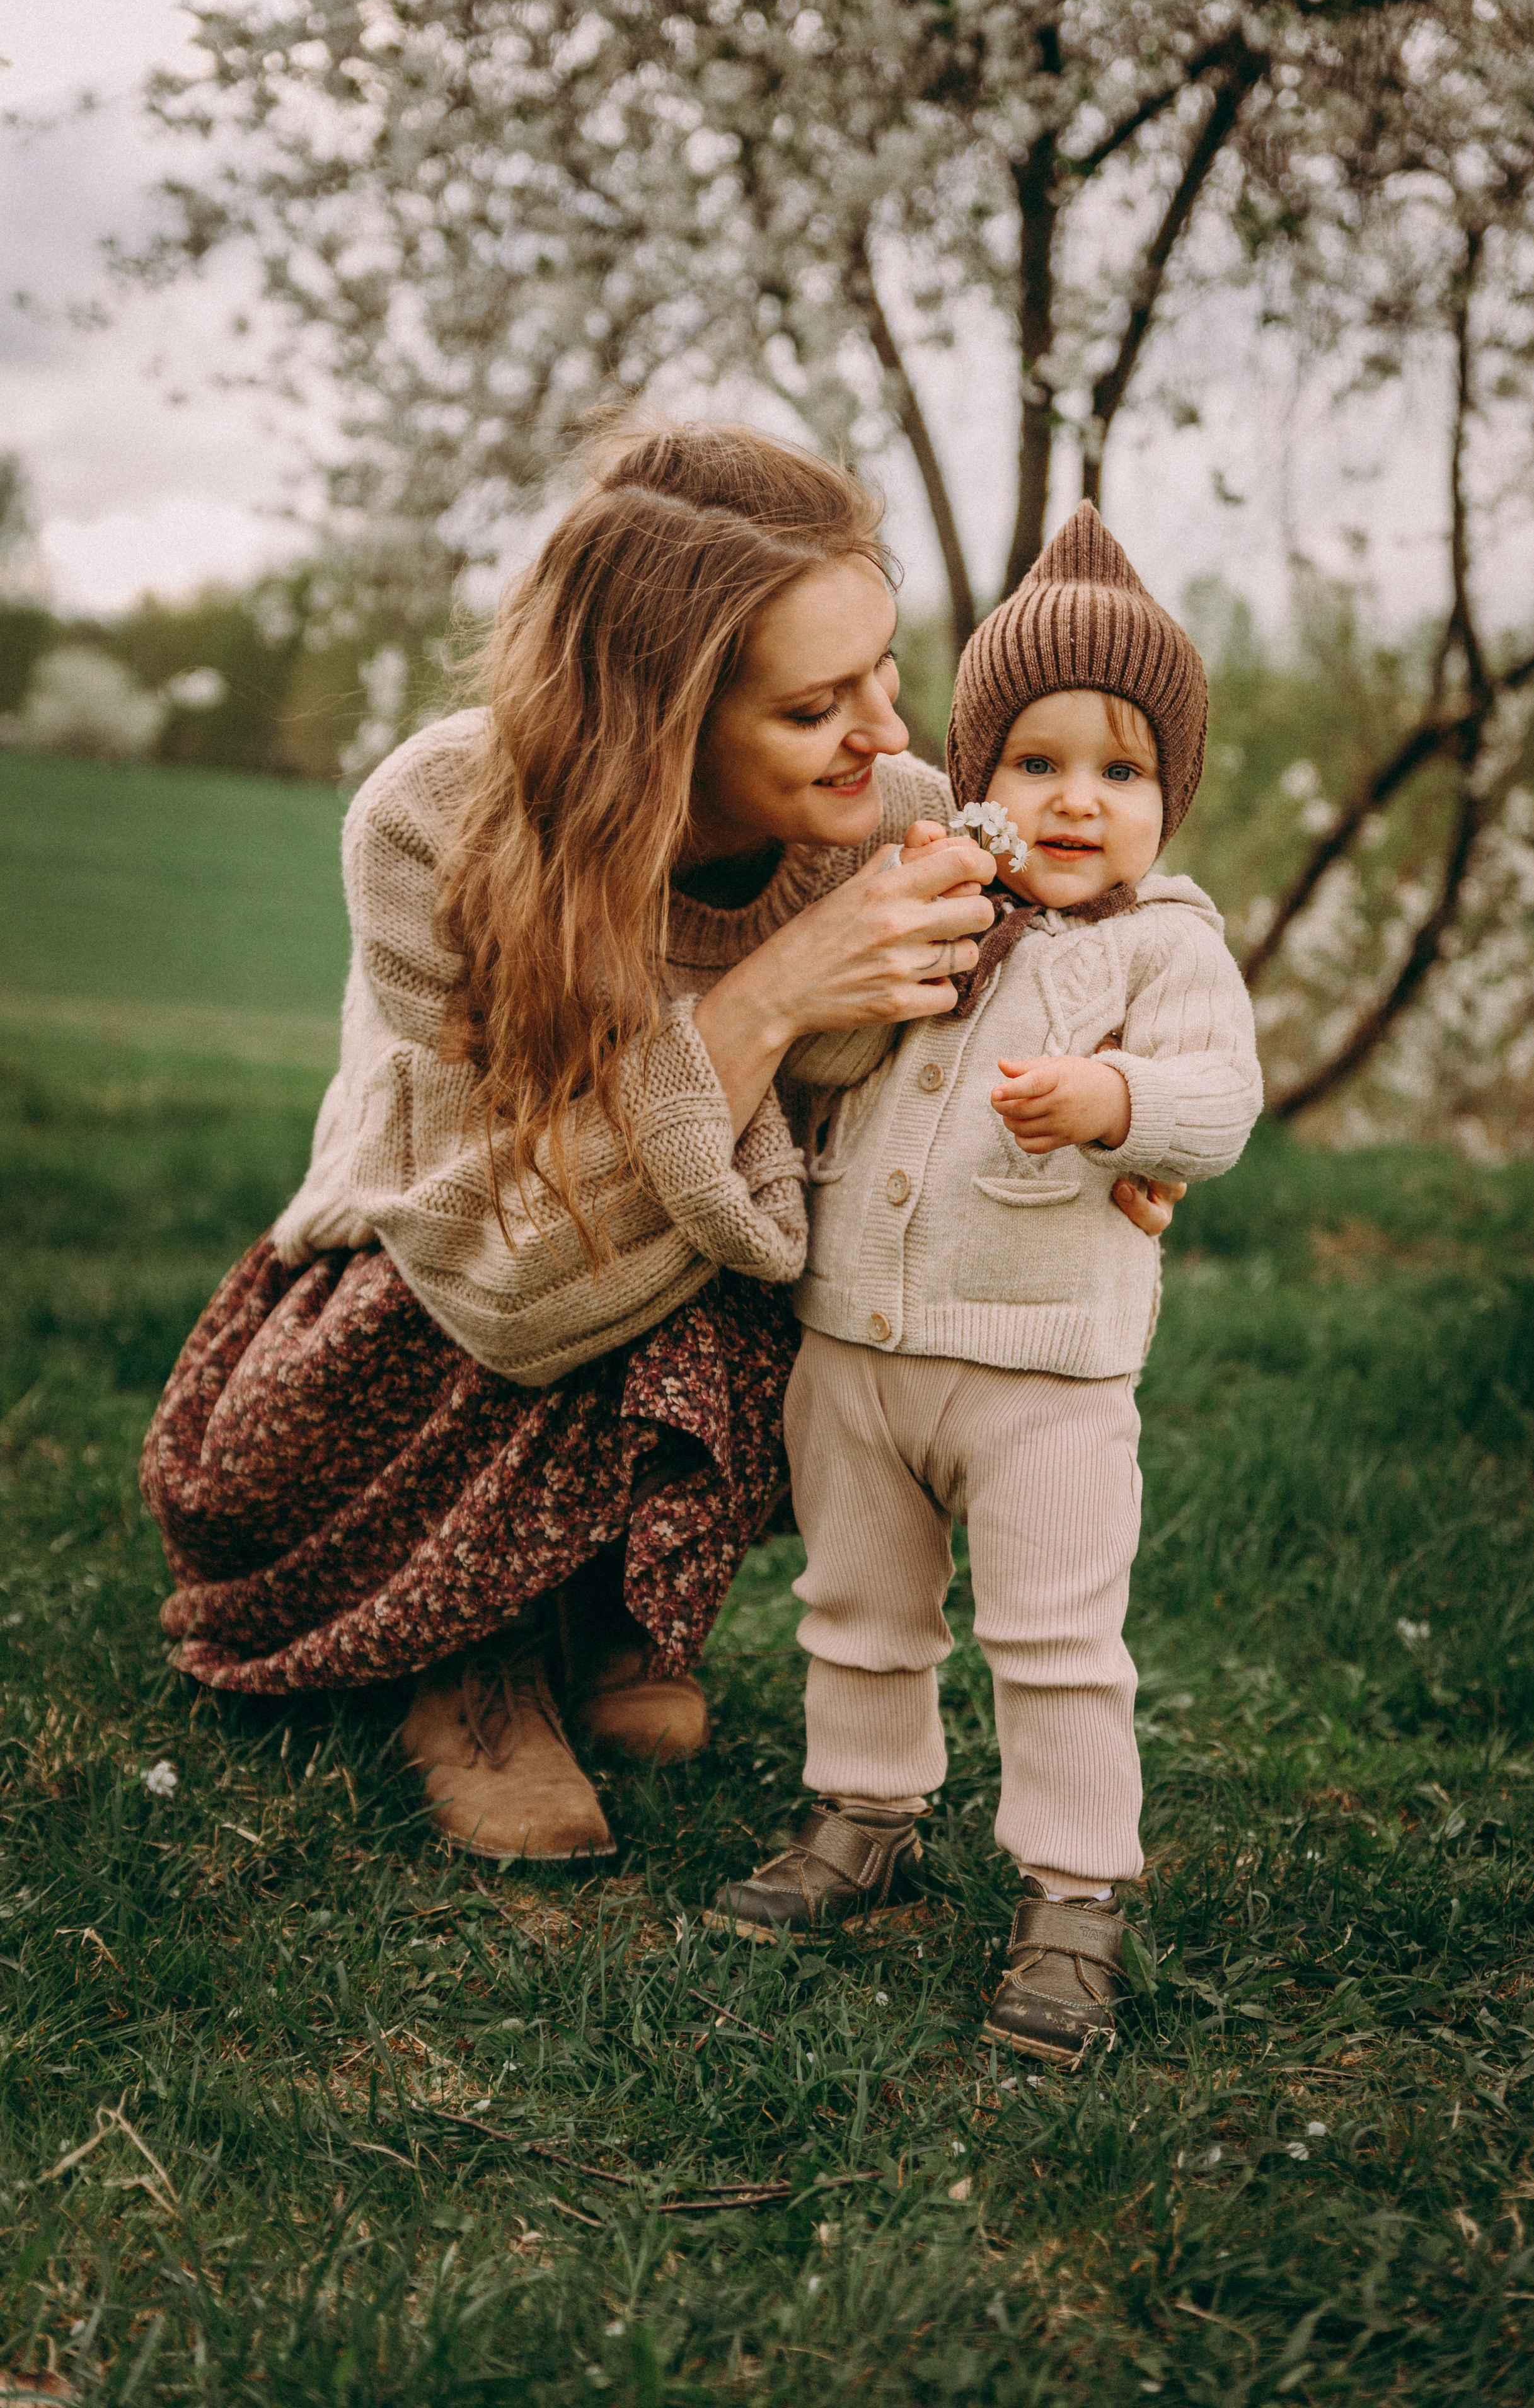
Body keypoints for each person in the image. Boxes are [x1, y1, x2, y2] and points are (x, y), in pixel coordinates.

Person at [139, 425, 1184, 1867]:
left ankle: (611, 1618)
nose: (890, 735)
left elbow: (1092, 938)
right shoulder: (437, 826)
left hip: (712, 1285)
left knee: (784, 1281)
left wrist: (1121, 1105)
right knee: (555, 1259)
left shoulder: (894, 820)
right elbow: (500, 1272)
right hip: (431, 1300)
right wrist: (773, 996)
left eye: (884, 670)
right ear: (659, 725)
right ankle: (474, 1664)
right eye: (817, 704)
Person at [710, 502, 1262, 2068]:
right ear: (974, 775)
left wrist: (1117, 1108)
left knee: (1055, 1638)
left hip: (1041, 1375)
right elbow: (818, 1057)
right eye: (1033, 763)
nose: (1074, 800)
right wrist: (891, 950)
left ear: (1170, 795)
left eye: (1119, 769)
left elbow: (1218, 1104)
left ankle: (1072, 1898)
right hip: (858, 1351)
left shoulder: (1166, 947)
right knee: (858, 1605)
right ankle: (859, 1812)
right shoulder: (926, 891)